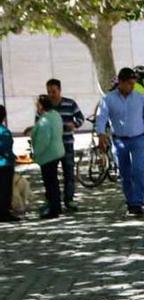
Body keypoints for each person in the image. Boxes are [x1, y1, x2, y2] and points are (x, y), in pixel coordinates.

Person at [95, 67, 144, 216]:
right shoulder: (108, 99)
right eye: (129, 84)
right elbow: (102, 118)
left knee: (138, 170)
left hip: (138, 139)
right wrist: (100, 134)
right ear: (121, 83)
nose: (132, 87)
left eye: (133, 83)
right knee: (125, 173)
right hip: (119, 141)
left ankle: (138, 202)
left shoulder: (140, 98)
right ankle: (130, 201)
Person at [43, 79, 84, 212]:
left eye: (53, 91)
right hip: (51, 146)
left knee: (69, 172)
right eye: (49, 92)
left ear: (59, 90)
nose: (51, 94)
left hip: (66, 143)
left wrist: (74, 124)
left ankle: (69, 199)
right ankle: (53, 200)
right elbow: (39, 122)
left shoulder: (70, 103)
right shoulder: (45, 106)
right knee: (51, 175)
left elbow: (80, 118)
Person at [31, 95, 66, 219]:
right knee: (54, 182)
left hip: (48, 155)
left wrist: (35, 154)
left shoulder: (45, 119)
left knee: (50, 183)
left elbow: (43, 140)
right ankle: (56, 206)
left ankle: (53, 209)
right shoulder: (55, 115)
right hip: (57, 152)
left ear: (41, 106)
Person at [0, 105, 19, 222]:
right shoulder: (5, 132)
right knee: (5, 190)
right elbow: (6, 148)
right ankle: (4, 212)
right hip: (4, 164)